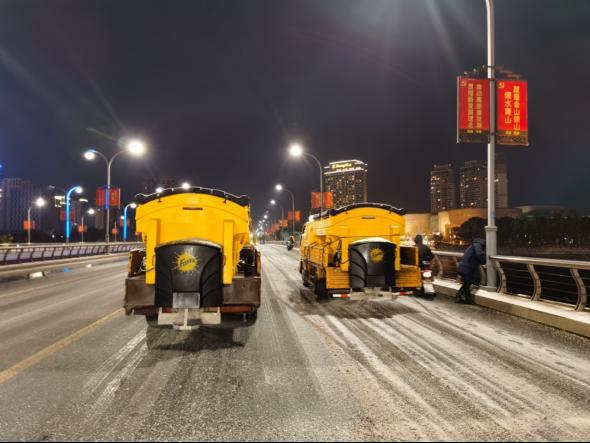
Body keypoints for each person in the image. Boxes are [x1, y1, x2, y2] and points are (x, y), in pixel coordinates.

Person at [456, 237, 486, 304]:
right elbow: (479, 254)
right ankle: (463, 299)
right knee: (467, 284)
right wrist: (485, 261)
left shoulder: (473, 245)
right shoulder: (478, 245)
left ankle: (461, 298)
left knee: (466, 284)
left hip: (464, 267)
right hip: (467, 268)